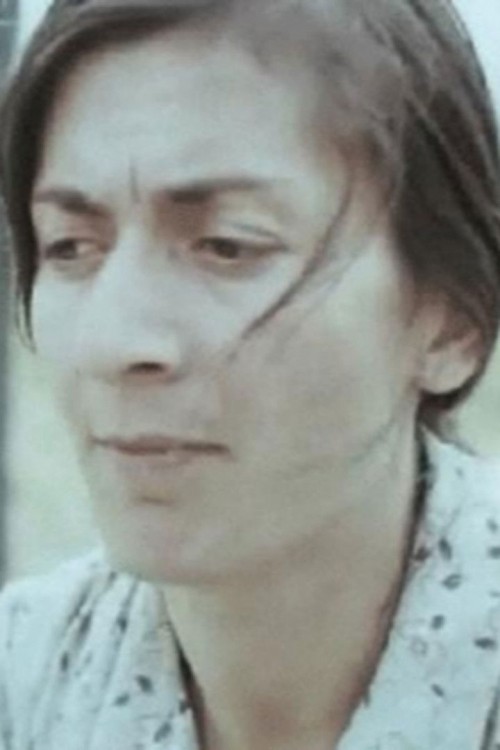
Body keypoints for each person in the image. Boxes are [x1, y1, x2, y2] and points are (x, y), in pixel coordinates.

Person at [1, 0, 500, 747]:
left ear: (452, 320)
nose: (112, 340)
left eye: (228, 246)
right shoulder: (29, 680)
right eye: (69, 246)